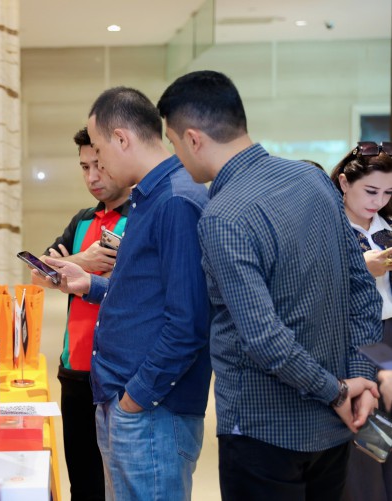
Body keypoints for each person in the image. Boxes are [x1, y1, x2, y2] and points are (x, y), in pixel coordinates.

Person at [157, 70, 382, 501]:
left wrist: (337, 392)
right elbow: (362, 291)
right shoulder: (311, 180)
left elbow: (263, 338)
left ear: (193, 138)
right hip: (334, 430)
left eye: (173, 142)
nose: (176, 154)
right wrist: (358, 379)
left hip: (265, 433)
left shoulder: (223, 215)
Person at [35, 87, 212, 501]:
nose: (97, 167)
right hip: (126, 400)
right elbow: (145, 292)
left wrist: (136, 398)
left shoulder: (175, 201)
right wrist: (89, 284)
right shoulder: (151, 196)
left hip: (151, 409)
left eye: (99, 151)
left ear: (121, 139)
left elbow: (189, 321)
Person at [43, 126, 131, 500]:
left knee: (120, 487)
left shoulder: (142, 218)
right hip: (74, 370)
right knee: (83, 486)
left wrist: (72, 269)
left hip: (119, 376)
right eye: (84, 167)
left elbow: (132, 289)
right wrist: (85, 260)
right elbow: (40, 272)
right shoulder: (81, 220)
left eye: (99, 165)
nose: (92, 176)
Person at [329, 141, 392, 501]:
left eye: (387, 193)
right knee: (368, 442)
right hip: (357, 343)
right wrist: (360, 269)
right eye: (370, 191)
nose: (378, 201)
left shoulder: (388, 227)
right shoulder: (327, 231)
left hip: (389, 337)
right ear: (343, 182)